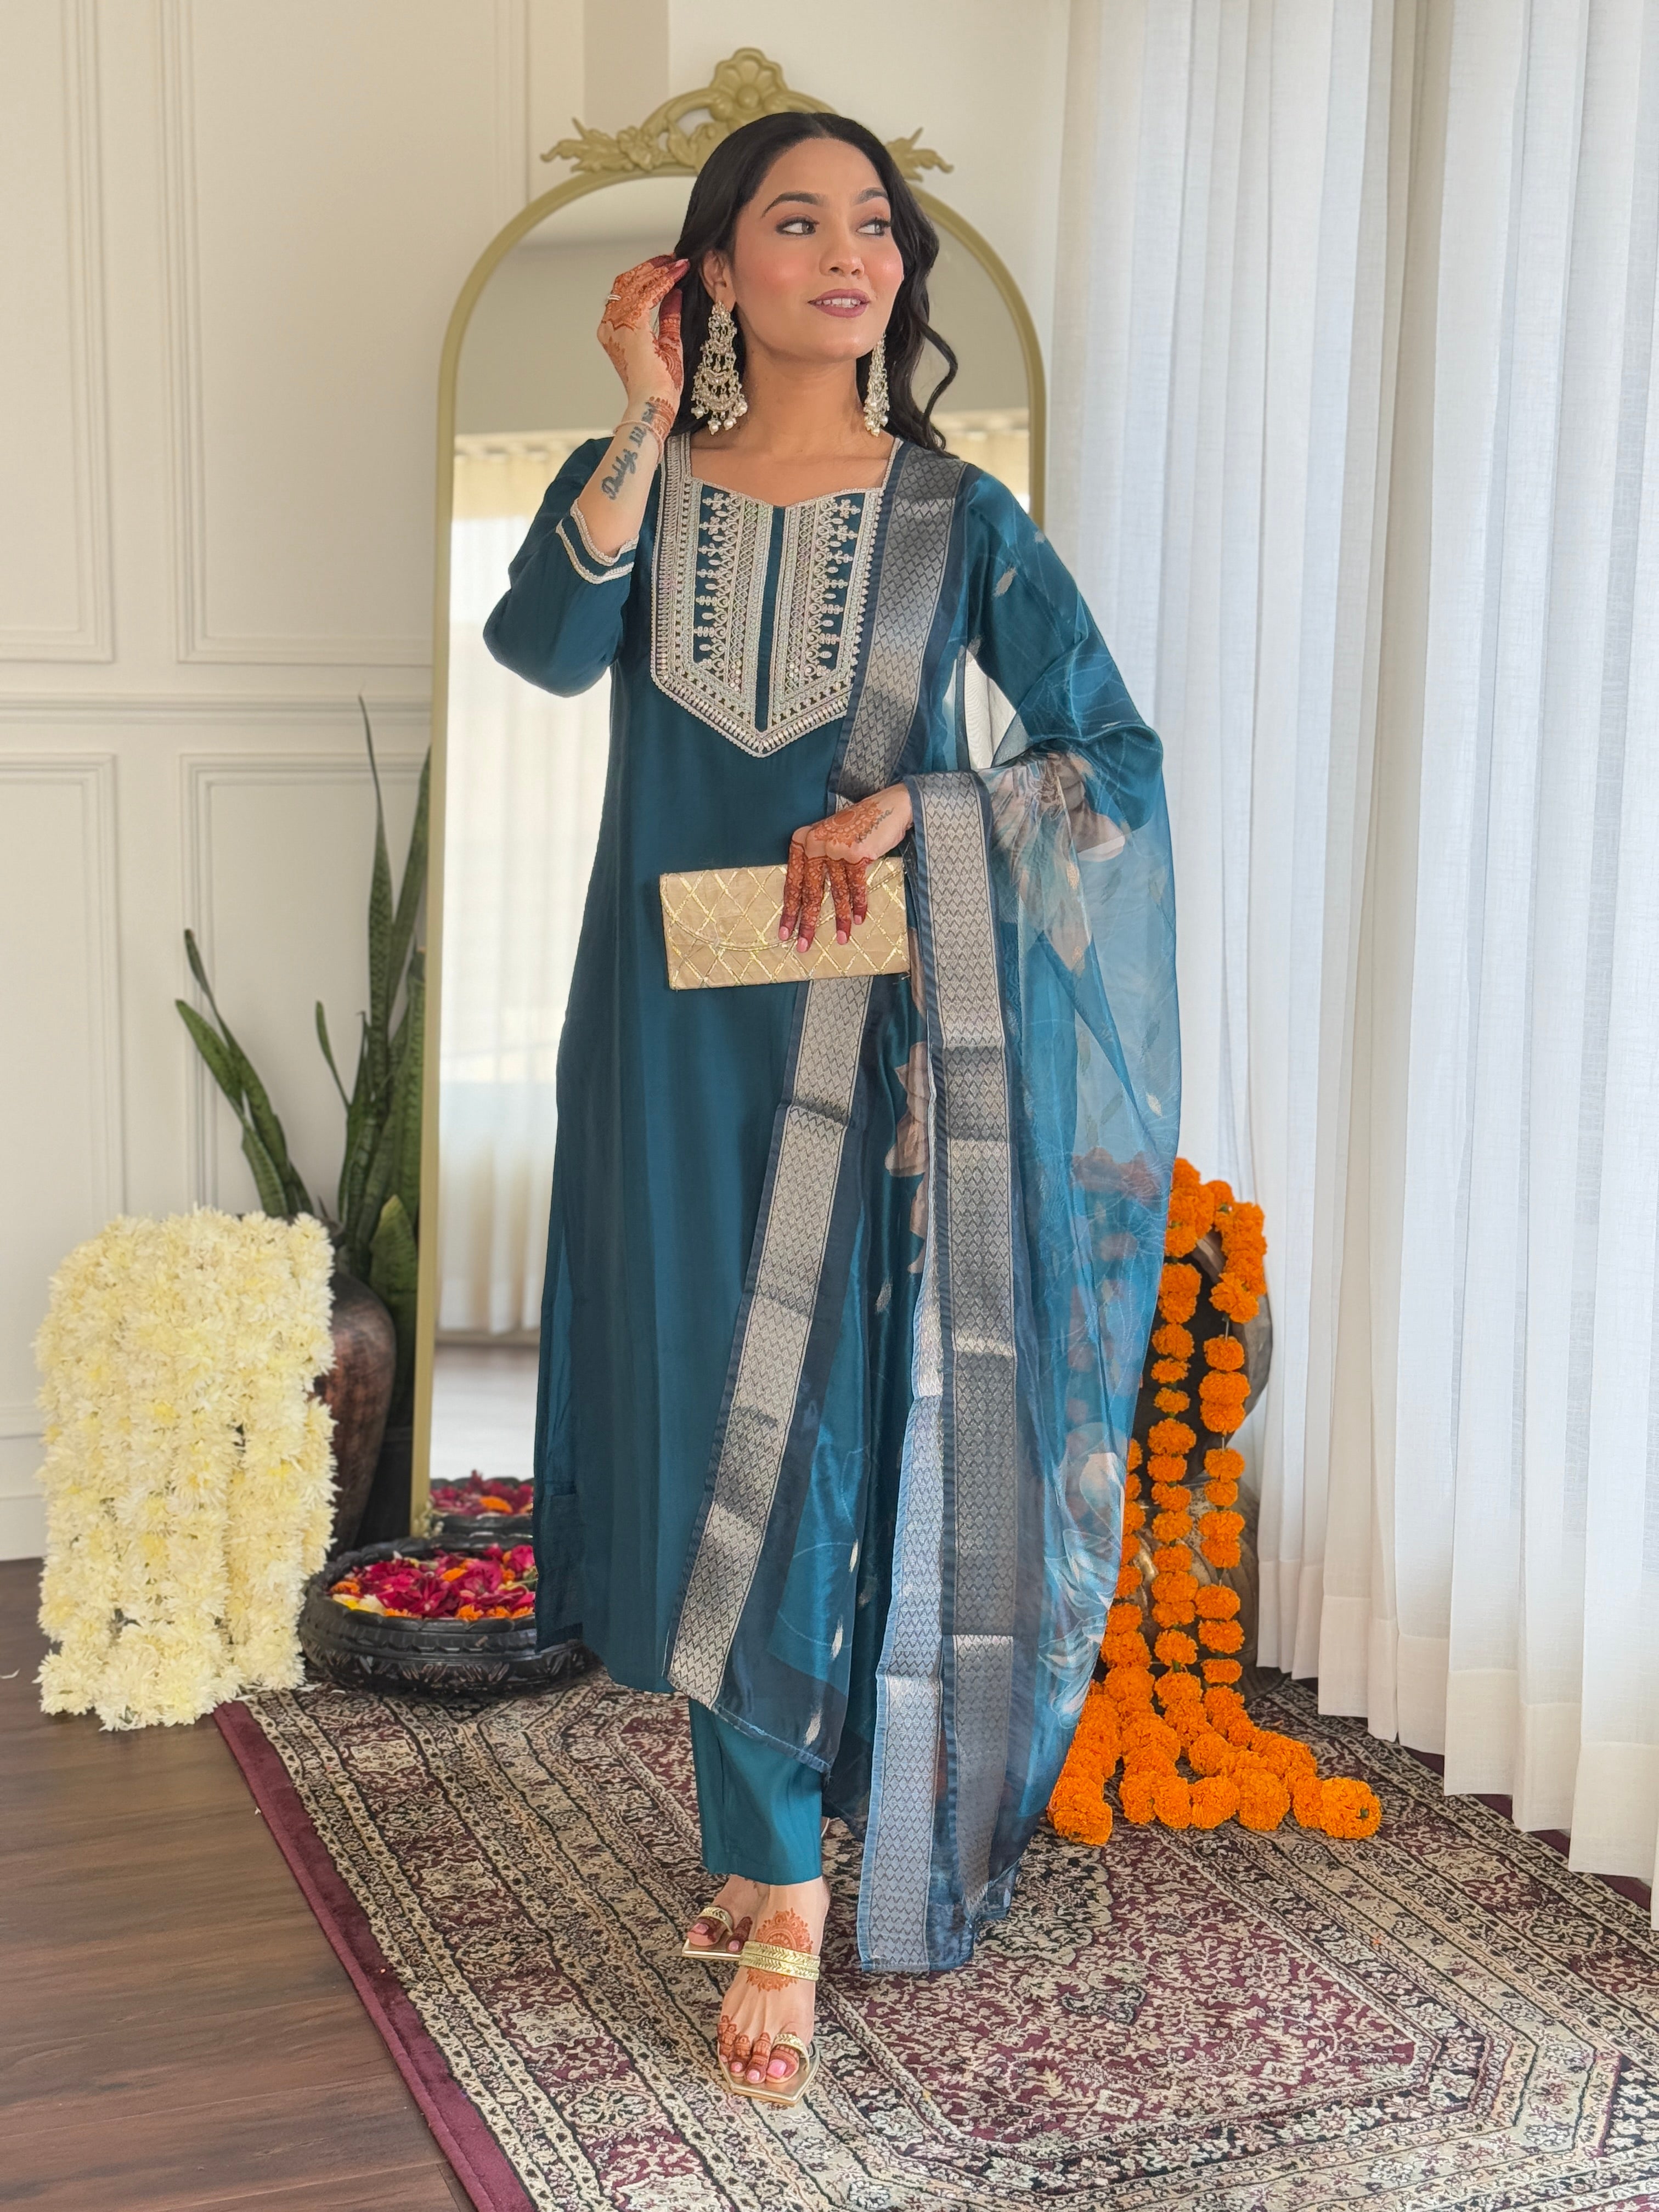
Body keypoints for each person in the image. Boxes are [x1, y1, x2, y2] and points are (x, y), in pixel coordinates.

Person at [484, 110, 1178, 2104]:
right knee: (695, 1392)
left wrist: (927, 805)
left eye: (875, 224)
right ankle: (750, 1830)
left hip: (867, 1043)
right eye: (797, 222)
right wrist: (638, 417)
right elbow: (541, 649)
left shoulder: (957, 518)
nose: (851, 252)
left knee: (800, 1417)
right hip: (660, 1028)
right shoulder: (642, 486)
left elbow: (1109, 758)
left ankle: (784, 1877)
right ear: (711, 272)